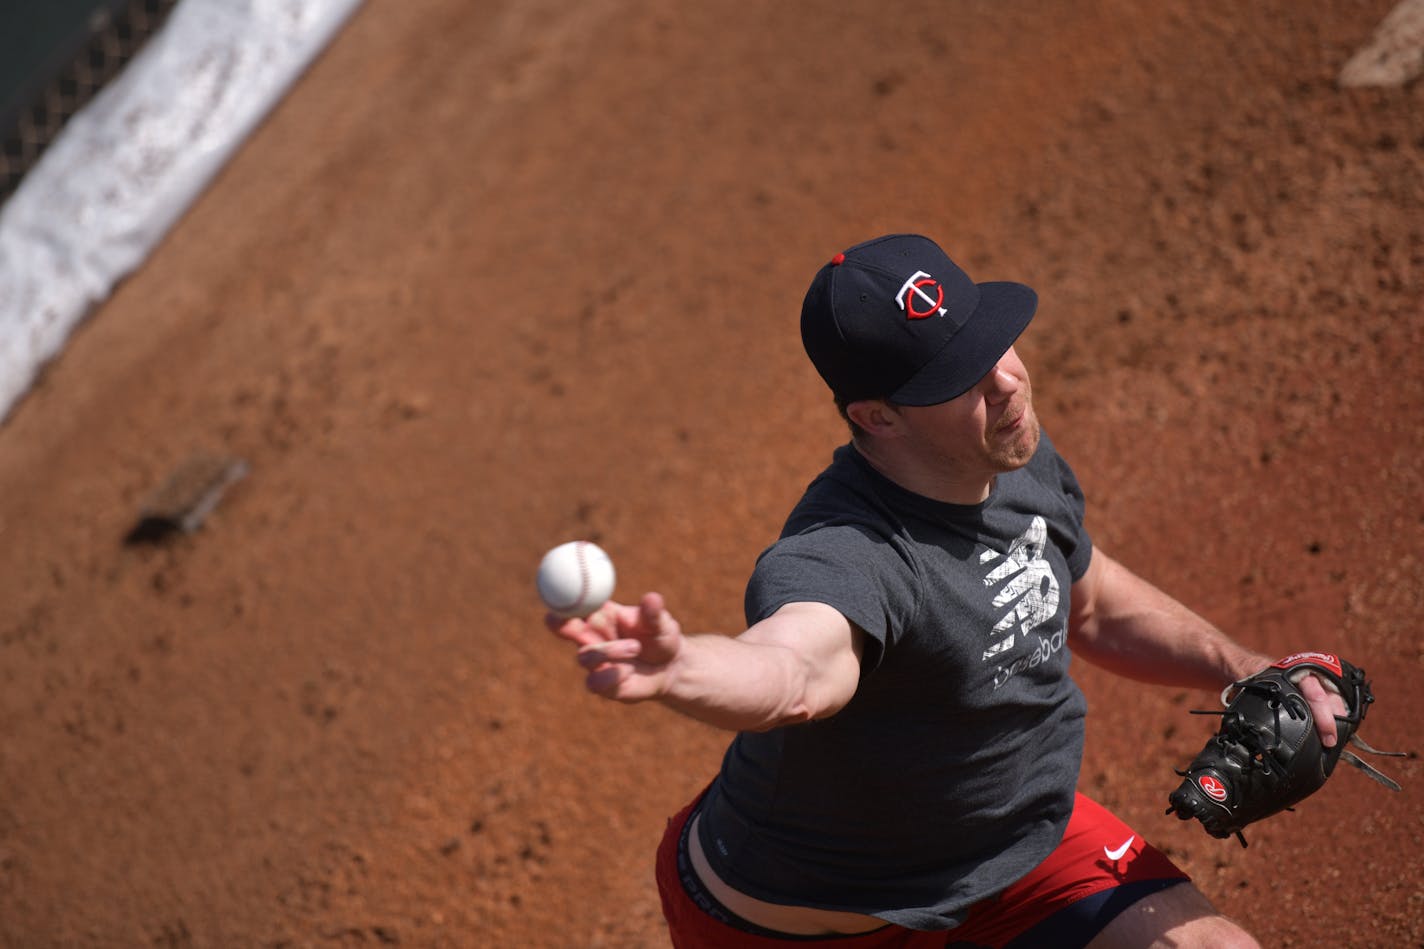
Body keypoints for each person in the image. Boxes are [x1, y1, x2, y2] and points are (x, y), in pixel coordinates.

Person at [548, 234, 1344, 948]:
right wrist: (680, 667)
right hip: (806, 924)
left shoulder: (1003, 451)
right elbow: (794, 670)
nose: (1005, 381)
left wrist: (1241, 664)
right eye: (958, 376)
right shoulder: (849, 554)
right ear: (879, 417)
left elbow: (1088, 597)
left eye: (993, 343)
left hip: (1010, 853)